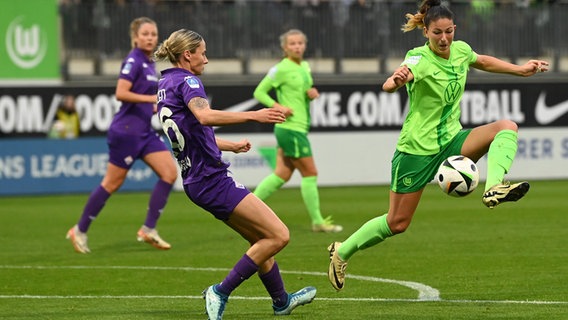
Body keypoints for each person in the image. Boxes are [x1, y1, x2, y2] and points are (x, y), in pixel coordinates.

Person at [327, 0, 549, 291]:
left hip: (452, 142)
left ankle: (494, 186)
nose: (444, 39)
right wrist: (396, 80)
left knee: (506, 127)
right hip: (416, 151)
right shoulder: (418, 59)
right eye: (436, 33)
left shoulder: (460, 50)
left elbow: (481, 60)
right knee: (397, 223)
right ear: (426, 33)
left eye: (448, 32)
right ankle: (341, 253)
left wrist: (521, 70)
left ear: (455, 29)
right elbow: (389, 84)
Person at [154, 28, 317, 319]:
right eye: (202, 53)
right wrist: (255, 114)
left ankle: (281, 301)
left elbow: (191, 132)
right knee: (279, 235)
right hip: (212, 179)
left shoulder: (165, 82)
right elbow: (204, 117)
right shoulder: (189, 81)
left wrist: (228, 146)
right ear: (187, 54)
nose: (206, 59)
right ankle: (221, 291)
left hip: (196, 180)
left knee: (261, 240)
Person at [66, 17, 178, 254]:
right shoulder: (133, 60)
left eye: (153, 34)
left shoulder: (149, 63)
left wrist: (156, 106)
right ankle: (80, 230)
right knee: (112, 183)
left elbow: (144, 98)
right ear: (135, 37)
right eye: (145, 34)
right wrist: (151, 100)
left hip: (144, 132)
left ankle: (149, 229)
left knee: (169, 173)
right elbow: (121, 92)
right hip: (126, 132)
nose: (150, 38)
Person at [253, 29, 342, 233]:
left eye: (300, 43)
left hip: (296, 128)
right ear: (284, 47)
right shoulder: (280, 69)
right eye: (292, 44)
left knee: (282, 174)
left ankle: (245, 206)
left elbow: (304, 92)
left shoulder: (305, 66)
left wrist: (311, 94)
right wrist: (278, 107)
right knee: (310, 173)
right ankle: (318, 221)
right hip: (290, 128)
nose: (297, 47)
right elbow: (259, 91)